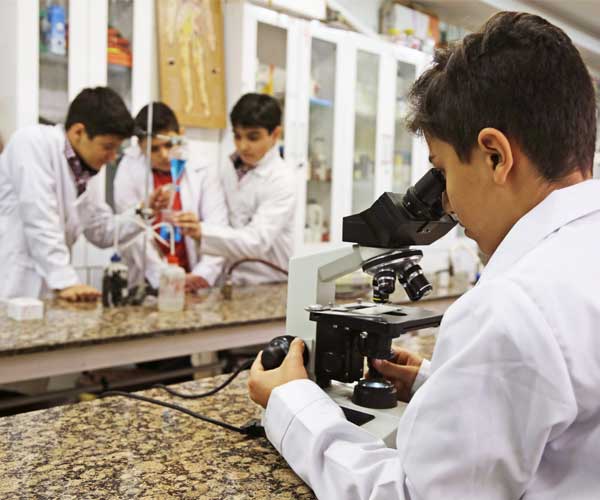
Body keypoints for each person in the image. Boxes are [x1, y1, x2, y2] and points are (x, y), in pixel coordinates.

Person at [248, 12, 600, 499]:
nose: (446, 202)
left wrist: (291, 403)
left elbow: (412, 494)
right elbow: (566, 418)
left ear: (495, 155)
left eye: (443, 170)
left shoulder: (512, 307)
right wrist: (440, 384)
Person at [0, 87, 149, 302]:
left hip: (49, 292)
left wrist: (143, 212)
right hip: (13, 283)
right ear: (79, 132)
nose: (112, 158)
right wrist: (66, 281)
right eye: (108, 147)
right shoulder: (32, 142)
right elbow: (39, 218)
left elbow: (100, 231)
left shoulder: (85, 171)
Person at [181, 93, 296, 285]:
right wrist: (204, 273)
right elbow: (221, 225)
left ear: (275, 134)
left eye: (253, 137)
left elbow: (257, 241)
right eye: (237, 136)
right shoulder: (228, 168)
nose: (243, 146)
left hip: (270, 282)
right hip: (231, 280)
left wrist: (202, 231)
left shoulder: (282, 180)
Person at [113, 102, 228, 292]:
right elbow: (132, 231)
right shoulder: (129, 169)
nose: (164, 155)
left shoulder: (202, 166)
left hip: (197, 278)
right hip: (148, 282)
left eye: (168, 144)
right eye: (153, 149)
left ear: (181, 134)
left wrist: (202, 275)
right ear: (140, 147)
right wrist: (164, 277)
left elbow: (218, 227)